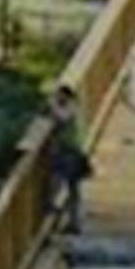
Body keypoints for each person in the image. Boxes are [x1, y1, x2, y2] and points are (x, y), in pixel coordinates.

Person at [48, 85, 92, 234]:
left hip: (70, 152)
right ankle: (73, 222)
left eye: (59, 96)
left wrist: (52, 105)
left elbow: (63, 117)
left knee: (66, 186)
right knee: (72, 190)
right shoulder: (75, 106)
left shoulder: (72, 107)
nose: (58, 99)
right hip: (70, 152)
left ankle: (66, 217)